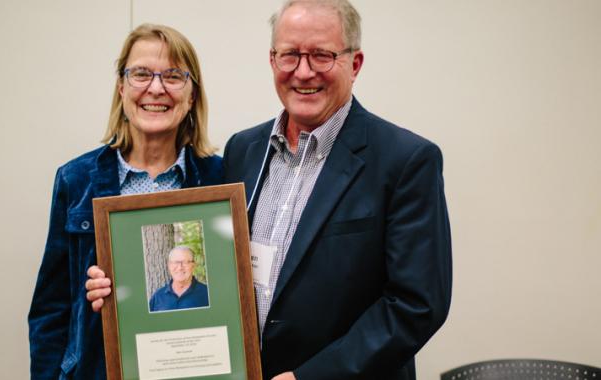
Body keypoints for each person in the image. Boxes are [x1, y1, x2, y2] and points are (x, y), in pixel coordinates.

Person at [89, 1, 452, 379]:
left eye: (322, 55)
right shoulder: (243, 150)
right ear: (272, 60)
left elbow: (416, 306)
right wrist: (120, 286)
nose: (304, 71)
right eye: (290, 54)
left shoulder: (405, 160)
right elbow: (220, 272)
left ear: (355, 63)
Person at [28, 24, 222, 380]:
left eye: (174, 76)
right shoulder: (76, 180)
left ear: (192, 95)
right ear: (121, 87)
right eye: (141, 74)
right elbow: (50, 311)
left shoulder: (222, 180)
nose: (156, 88)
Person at [148, 246, 209, 312]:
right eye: (176, 262)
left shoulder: (207, 294)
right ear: (169, 265)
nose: (180, 267)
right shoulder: (158, 296)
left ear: (193, 265)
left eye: (185, 262)